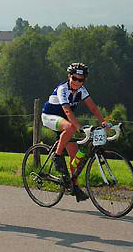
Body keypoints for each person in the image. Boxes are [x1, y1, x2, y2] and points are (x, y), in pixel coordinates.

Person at [41, 62, 109, 202]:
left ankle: (74, 186)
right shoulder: (62, 89)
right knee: (71, 128)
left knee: (75, 157)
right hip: (50, 117)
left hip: (66, 121)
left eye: (81, 79)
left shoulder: (82, 90)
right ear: (69, 77)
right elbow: (67, 110)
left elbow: (93, 108)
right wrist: (79, 127)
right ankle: (57, 156)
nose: (77, 82)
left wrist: (103, 122)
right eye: (75, 78)